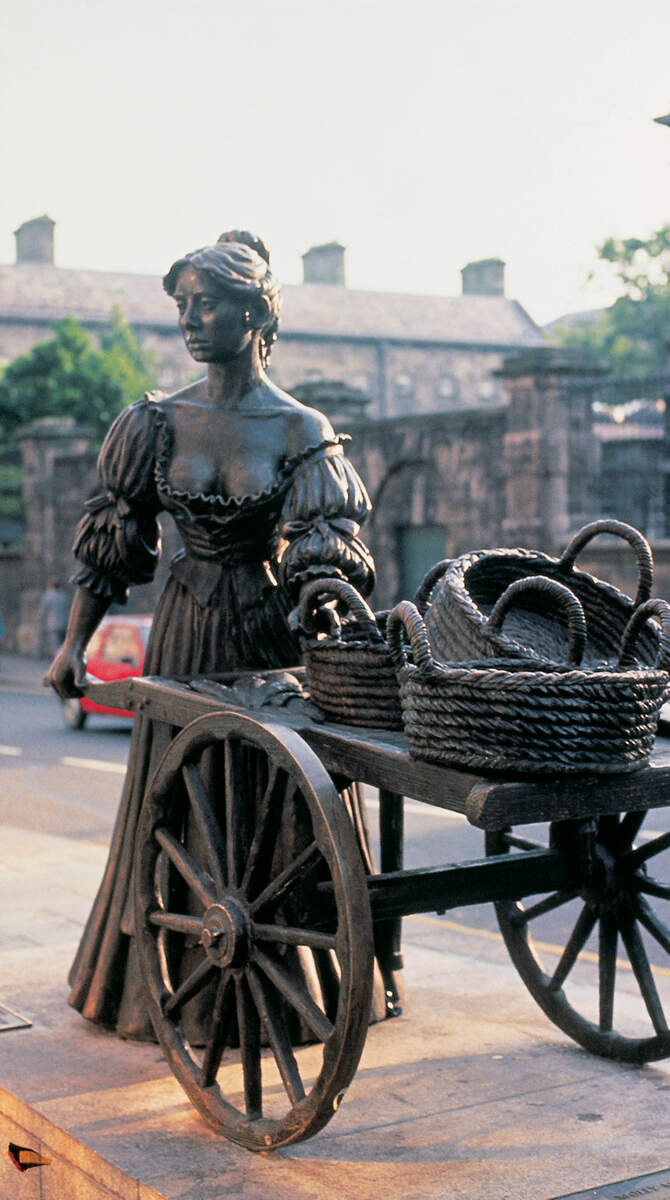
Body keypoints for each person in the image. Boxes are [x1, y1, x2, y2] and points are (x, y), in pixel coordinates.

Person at [45, 231, 383, 1040]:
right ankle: (170, 991)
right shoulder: (155, 422)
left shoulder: (302, 428)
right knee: (178, 806)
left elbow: (327, 545)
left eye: (209, 305)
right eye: (184, 306)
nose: (192, 321)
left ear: (254, 312)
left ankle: (288, 988)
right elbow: (113, 545)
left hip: (270, 639)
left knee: (276, 806)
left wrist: (322, 597)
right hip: (185, 631)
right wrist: (74, 644)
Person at [38, 579, 70, 658]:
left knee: (55, 644)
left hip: (52, 623)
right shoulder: (64, 596)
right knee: (63, 644)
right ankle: (64, 658)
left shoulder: (48, 596)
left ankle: (58, 660)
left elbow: (43, 611)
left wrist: (40, 621)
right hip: (64, 623)